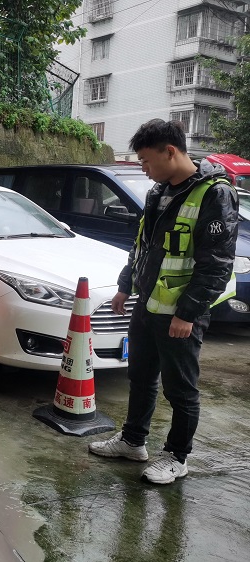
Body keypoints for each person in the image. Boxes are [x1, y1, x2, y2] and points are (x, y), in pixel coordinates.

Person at [89, 119, 238, 484]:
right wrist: (126, 287)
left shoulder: (214, 194)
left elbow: (217, 265)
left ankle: (176, 456)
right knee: (140, 376)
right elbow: (142, 246)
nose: (143, 168)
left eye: (145, 160)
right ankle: (133, 441)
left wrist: (188, 312)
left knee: (181, 388)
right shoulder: (159, 192)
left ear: (169, 151)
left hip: (181, 314)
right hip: (148, 304)